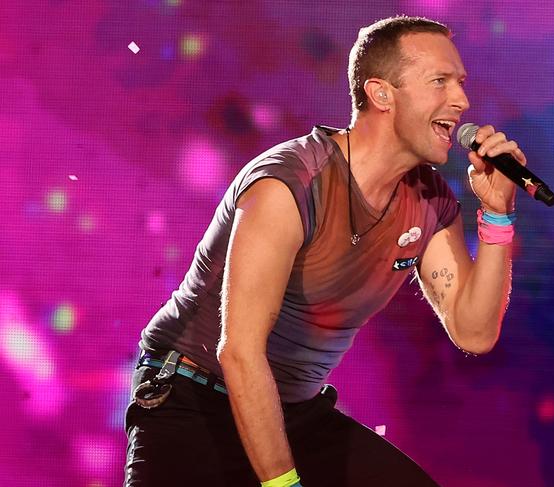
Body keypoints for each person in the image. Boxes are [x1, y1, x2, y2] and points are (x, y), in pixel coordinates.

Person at [124, 15, 527, 487]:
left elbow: (474, 332)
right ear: (381, 94)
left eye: (460, 83)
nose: (461, 101)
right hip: (193, 402)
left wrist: (497, 213)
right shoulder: (289, 184)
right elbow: (239, 352)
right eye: (440, 81)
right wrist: (283, 485)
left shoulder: (429, 200)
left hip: (292, 411)